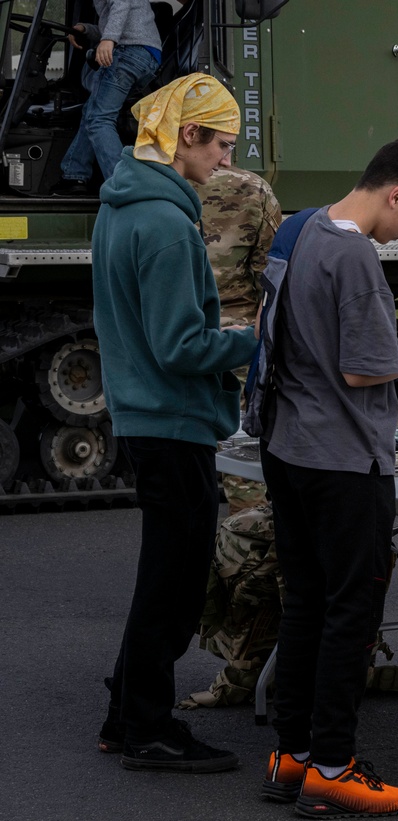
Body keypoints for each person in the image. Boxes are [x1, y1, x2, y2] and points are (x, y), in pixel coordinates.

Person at [258, 137, 398, 817]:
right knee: (352, 613)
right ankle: (334, 769)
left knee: (306, 604)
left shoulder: (303, 227)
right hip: (345, 459)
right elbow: (364, 367)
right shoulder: (356, 255)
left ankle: (292, 754)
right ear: (397, 193)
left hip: (288, 448)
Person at [91, 73, 256, 771]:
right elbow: (181, 346)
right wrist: (257, 339)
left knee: (160, 577)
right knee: (175, 588)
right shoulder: (163, 222)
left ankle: (124, 716)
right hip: (173, 420)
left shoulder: (124, 206)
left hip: (144, 414)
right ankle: (152, 733)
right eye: (220, 144)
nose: (225, 160)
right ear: (186, 135)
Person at [195, 166, 282, 512]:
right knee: (244, 456)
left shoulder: (158, 183)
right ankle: (244, 550)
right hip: (238, 336)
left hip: (179, 331)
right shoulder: (252, 188)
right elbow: (271, 274)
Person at [54, 0, 163, 196]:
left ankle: (124, 186)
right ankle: (74, 175)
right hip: (145, 55)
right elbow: (118, 24)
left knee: (99, 119)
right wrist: (85, 29)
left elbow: (121, 4)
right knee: (93, 111)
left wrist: (109, 39)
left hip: (129, 52)